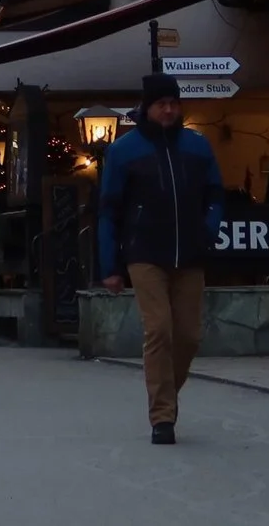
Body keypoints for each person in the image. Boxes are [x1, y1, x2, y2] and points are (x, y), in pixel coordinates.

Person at [97, 75, 226, 445]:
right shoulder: (124, 151)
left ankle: (166, 393)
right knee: (159, 330)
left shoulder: (198, 147)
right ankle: (162, 417)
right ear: (146, 108)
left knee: (188, 336)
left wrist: (209, 229)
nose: (168, 109)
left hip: (190, 251)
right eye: (160, 104)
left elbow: (216, 194)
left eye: (173, 102)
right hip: (144, 252)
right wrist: (110, 267)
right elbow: (108, 210)